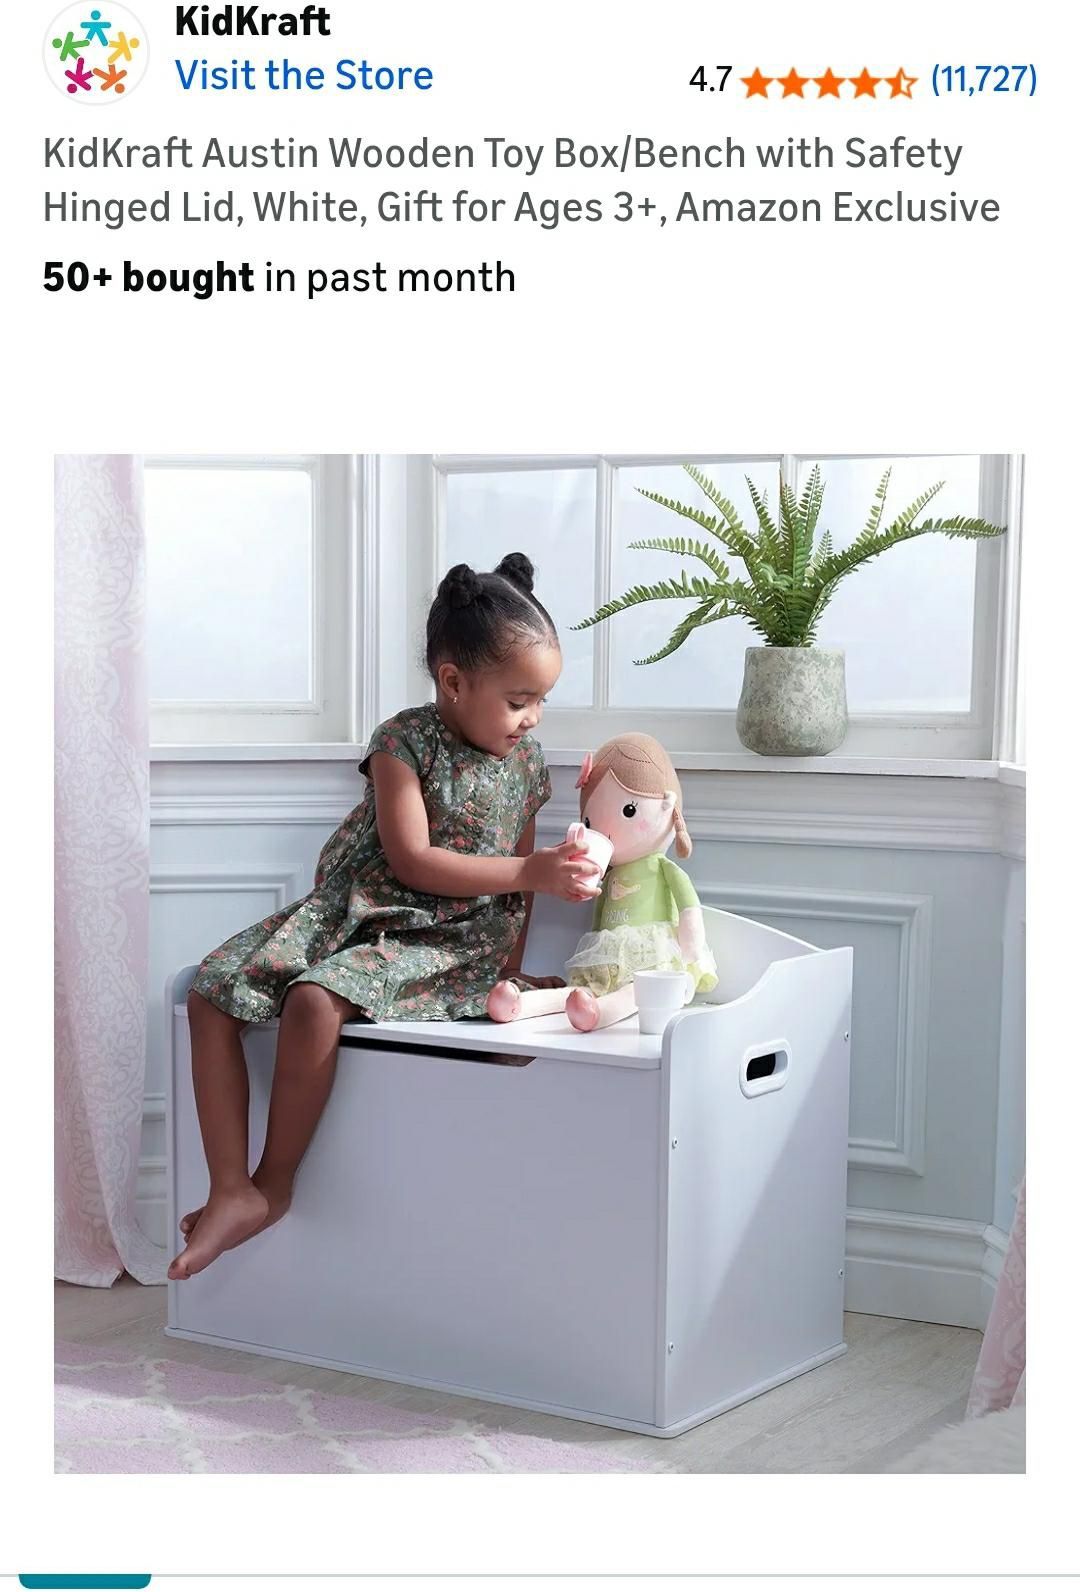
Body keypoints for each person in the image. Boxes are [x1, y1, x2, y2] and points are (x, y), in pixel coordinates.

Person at [170, 552, 597, 1281]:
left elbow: (518, 887)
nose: (532, 718)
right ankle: (229, 1189)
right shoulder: (403, 742)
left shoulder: (527, 765)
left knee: (313, 1000)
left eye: (542, 701)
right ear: (453, 682)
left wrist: (508, 964)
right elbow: (410, 859)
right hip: (358, 911)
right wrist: (529, 871)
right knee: (209, 991)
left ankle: (273, 1184)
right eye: (520, 698)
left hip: (450, 937)